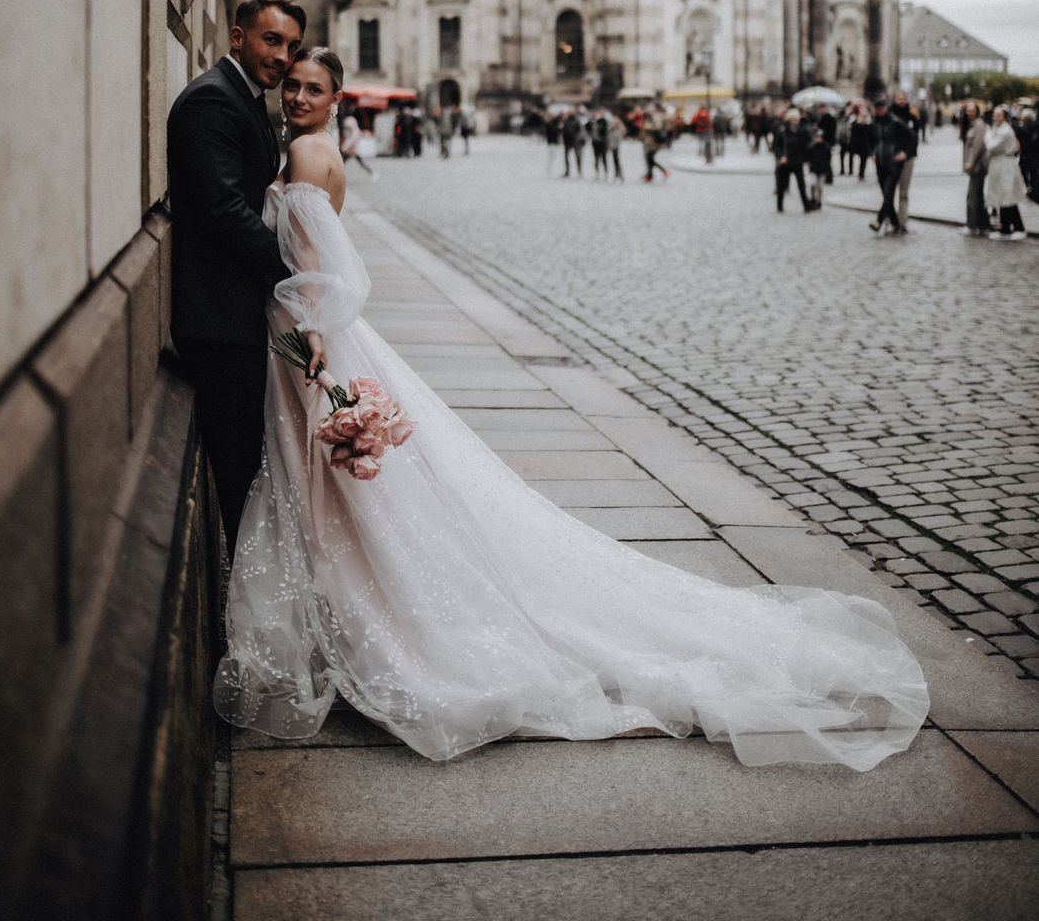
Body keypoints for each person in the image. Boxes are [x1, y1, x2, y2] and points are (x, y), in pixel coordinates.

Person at [213, 45, 929, 770]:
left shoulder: (304, 153)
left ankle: (363, 617)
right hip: (320, 333)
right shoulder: (317, 150)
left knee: (339, 487)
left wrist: (311, 338)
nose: (297, 96)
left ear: (336, 99)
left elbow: (320, 268)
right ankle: (354, 610)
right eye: (294, 86)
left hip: (311, 335)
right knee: (349, 491)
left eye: (312, 88)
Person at [167, 0, 307, 554]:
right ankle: (245, 603)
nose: (283, 56)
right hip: (219, 322)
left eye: (291, 45)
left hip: (234, 315)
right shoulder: (212, 100)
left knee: (250, 467)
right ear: (237, 37)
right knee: (241, 472)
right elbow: (225, 210)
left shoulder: (242, 97)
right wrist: (291, 272)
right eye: (272, 40)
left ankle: (251, 592)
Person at [868, 95, 913, 236]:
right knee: (886, 195)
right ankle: (894, 223)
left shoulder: (895, 122)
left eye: (880, 107)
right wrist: (872, 153)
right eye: (876, 108)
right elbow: (870, 140)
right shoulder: (874, 123)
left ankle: (879, 221)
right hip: (880, 162)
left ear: (885, 108)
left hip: (893, 162)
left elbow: (912, 137)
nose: (878, 110)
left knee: (888, 193)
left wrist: (905, 153)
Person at [983, 106, 1028, 239]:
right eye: (994, 115)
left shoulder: (1004, 131)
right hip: (999, 164)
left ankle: (1019, 227)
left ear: (1004, 117)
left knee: (1008, 196)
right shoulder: (998, 128)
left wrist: (987, 134)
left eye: (998, 115)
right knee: (1002, 196)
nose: (995, 118)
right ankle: (1005, 228)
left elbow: (990, 145)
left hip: (1005, 165)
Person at [888, 90, 920, 231]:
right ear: (894, 100)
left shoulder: (912, 115)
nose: (901, 101)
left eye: (903, 98)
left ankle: (902, 222)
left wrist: (907, 153)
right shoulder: (888, 115)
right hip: (892, 157)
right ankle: (890, 221)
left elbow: (915, 137)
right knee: (889, 192)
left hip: (907, 158)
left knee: (904, 192)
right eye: (898, 98)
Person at [773, 108, 814, 212]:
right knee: (782, 185)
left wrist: (807, 160)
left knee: (801, 185)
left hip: (797, 161)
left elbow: (807, 145)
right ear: (789, 119)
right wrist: (780, 156)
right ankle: (779, 206)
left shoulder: (802, 130)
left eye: (797, 119)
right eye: (793, 119)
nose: (795, 122)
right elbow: (776, 146)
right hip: (785, 161)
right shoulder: (782, 130)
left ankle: (806, 206)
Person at [960, 101, 990, 236]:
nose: (970, 112)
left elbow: (978, 146)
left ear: (977, 111)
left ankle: (972, 226)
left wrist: (970, 163)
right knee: (978, 196)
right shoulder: (970, 124)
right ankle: (983, 226)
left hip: (978, 166)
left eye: (972, 110)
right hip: (974, 166)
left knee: (972, 197)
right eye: (968, 110)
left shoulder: (979, 125)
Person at [340, 110, 377, 177]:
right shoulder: (352, 123)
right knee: (344, 162)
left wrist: (345, 146)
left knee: (343, 162)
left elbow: (352, 137)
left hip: (351, 148)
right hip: (351, 148)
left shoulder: (349, 123)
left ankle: (372, 173)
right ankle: (372, 173)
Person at [640, 109, 669, 182]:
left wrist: (648, 128)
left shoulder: (655, 119)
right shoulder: (651, 119)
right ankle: (649, 175)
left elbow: (656, 128)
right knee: (649, 159)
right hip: (649, 144)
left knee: (650, 159)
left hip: (653, 144)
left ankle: (663, 171)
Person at [561, 109, 586, 177]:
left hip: (575, 141)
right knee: (566, 157)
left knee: (577, 157)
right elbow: (564, 130)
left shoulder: (577, 121)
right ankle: (567, 171)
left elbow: (579, 130)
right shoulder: (566, 120)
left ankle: (579, 171)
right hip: (567, 141)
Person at [606, 111, 626, 182]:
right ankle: (617, 174)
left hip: (616, 146)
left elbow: (619, 137)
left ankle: (620, 175)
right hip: (612, 146)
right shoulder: (611, 129)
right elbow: (608, 136)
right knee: (614, 161)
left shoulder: (619, 129)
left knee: (617, 161)